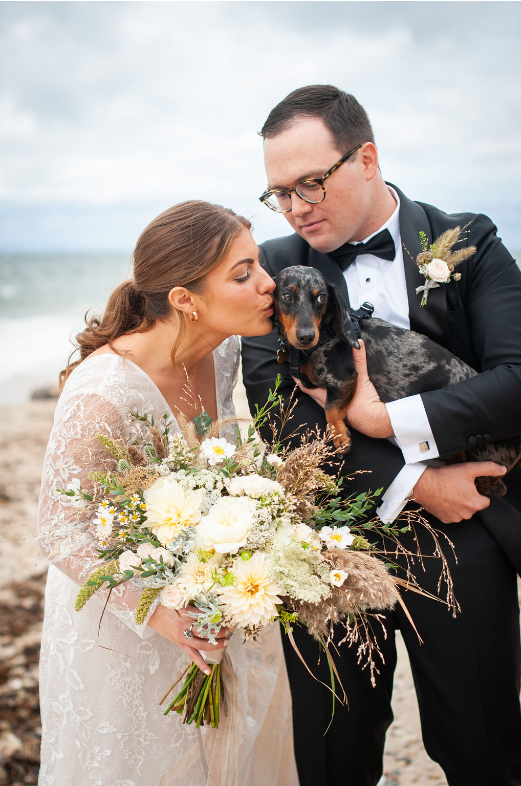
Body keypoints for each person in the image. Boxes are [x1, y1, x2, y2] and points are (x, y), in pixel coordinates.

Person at [241, 85, 521, 786]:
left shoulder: (468, 242)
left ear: (365, 159)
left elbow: (516, 378)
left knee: (482, 747)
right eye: (278, 192)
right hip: (328, 540)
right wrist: (417, 481)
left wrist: (382, 420)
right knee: (332, 752)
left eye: (311, 182)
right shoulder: (271, 272)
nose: (296, 206)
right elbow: (281, 417)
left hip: (467, 530)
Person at [37, 201, 299, 786]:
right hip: (124, 619)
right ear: (185, 299)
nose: (267, 285)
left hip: (207, 599)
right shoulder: (102, 392)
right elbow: (59, 530)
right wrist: (159, 610)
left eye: (258, 264)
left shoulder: (223, 350)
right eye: (242, 274)